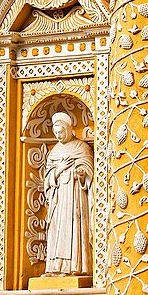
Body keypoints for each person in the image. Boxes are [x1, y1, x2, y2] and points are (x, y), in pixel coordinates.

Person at [43, 111, 94, 275]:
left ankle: (75, 267)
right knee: (57, 230)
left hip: (75, 198)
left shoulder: (81, 147)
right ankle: (54, 267)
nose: (58, 135)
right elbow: (48, 178)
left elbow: (89, 170)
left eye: (61, 132)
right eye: (56, 133)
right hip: (58, 199)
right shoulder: (54, 152)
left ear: (68, 128)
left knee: (73, 229)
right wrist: (58, 171)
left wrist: (81, 173)